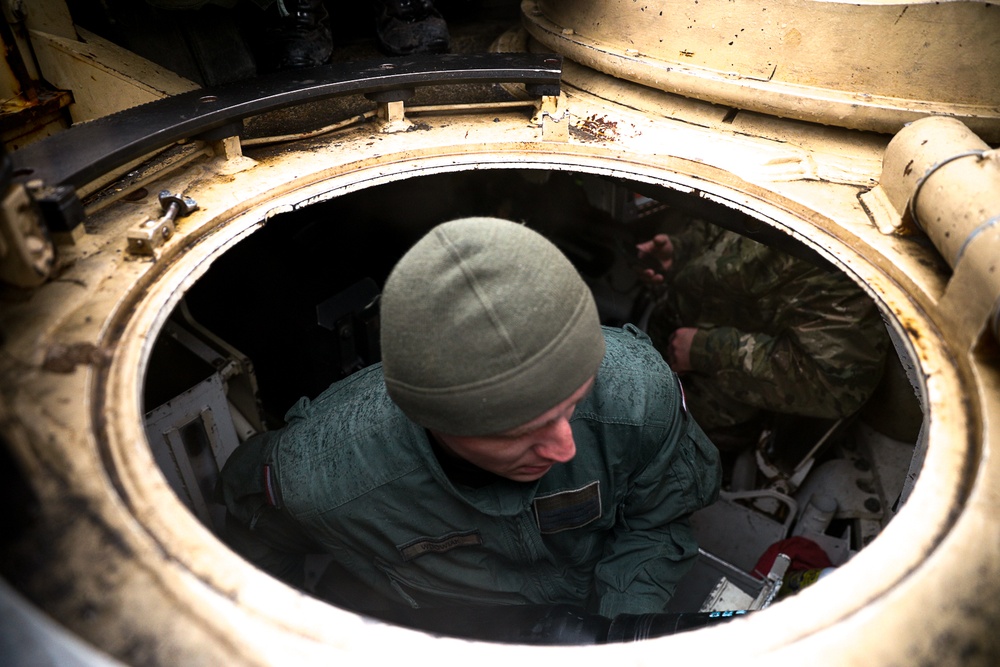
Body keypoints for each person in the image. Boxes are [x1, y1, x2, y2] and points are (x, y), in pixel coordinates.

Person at [219, 217, 721, 623]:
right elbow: (252, 552)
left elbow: (657, 517)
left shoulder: (635, 394)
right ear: (431, 419)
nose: (563, 448)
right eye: (517, 432)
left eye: (572, 405)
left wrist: (617, 634)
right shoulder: (322, 479)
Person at [635, 219, 890, 451]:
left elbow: (836, 383)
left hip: (714, 398)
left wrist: (707, 350)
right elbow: (726, 227)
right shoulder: (785, 174)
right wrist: (682, 249)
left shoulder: (851, 253)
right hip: (669, 327)